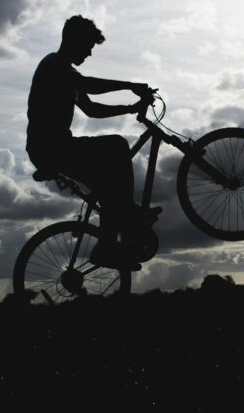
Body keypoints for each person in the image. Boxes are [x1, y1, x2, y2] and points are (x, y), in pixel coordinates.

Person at [26, 15, 154, 270]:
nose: (89, 53)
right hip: (50, 148)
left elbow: (92, 109)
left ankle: (108, 246)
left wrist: (129, 108)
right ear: (73, 40)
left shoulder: (67, 73)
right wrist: (130, 86)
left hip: (55, 147)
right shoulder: (54, 64)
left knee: (109, 187)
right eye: (88, 46)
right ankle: (127, 218)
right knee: (117, 145)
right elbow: (89, 86)